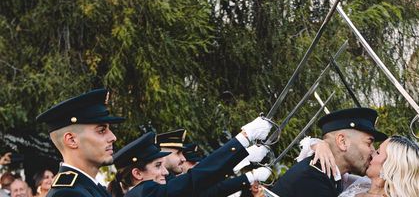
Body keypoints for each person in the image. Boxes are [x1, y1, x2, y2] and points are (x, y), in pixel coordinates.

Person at [120, 127, 271, 197]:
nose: (165, 172)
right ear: (137, 173)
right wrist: (242, 139)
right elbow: (196, 180)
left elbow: (204, 186)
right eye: (158, 165)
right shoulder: (144, 193)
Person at [270, 107, 386, 197]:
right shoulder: (312, 180)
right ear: (342, 142)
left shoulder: (329, 176)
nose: (372, 151)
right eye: (369, 143)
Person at [36, 88, 125, 197]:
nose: (113, 137)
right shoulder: (68, 194)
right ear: (71, 140)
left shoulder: (90, 187)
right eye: (101, 130)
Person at [338, 135, 419, 197]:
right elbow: (337, 171)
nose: (372, 154)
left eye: (378, 152)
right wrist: (323, 145)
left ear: (390, 165)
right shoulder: (363, 184)